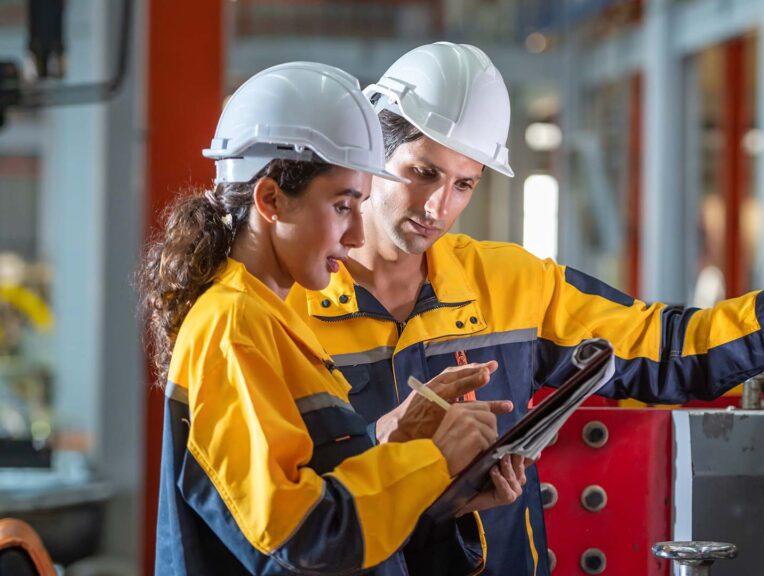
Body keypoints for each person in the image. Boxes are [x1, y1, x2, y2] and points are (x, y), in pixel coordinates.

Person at [287, 43, 764, 576]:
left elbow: (666, 348)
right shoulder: (287, 306)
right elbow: (264, 502)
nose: (439, 206)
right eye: (423, 172)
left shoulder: (512, 283)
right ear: (371, 156)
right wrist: (383, 449)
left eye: (465, 184)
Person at [138, 61, 524, 576]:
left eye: (361, 206)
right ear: (271, 199)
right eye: (343, 206)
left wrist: (430, 485)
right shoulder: (230, 328)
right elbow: (301, 542)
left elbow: (329, 504)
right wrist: (432, 460)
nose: (358, 236)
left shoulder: (274, 323)